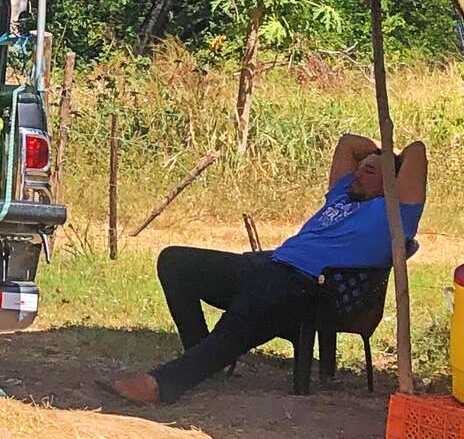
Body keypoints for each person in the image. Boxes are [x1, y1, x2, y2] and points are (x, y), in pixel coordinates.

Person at [108, 133, 428, 405]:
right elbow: (347, 143)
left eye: (369, 172)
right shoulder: (342, 196)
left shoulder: (395, 214)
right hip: (268, 264)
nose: (357, 174)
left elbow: (417, 152)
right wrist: (375, 155)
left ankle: (162, 385)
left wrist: (390, 155)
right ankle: (202, 357)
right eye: (359, 169)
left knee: (238, 323)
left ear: (392, 182)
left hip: (308, 285)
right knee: (176, 262)